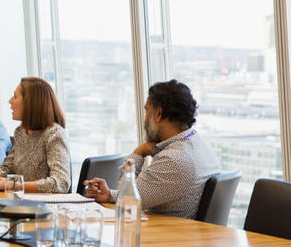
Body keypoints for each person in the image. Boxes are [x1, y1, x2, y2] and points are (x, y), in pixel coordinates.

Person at [84, 79, 220, 219]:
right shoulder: (198, 145)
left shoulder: (173, 159)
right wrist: (108, 195)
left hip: (166, 235)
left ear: (158, 113)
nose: (144, 120)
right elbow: (138, 194)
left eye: (146, 111)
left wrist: (139, 152)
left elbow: (127, 197)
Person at [0, 77, 71, 193]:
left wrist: (15, 186)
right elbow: (8, 168)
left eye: (15, 96)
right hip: (23, 202)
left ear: (30, 103)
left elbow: (61, 183)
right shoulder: (20, 132)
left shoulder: (54, 133)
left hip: (47, 207)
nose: (10, 101)